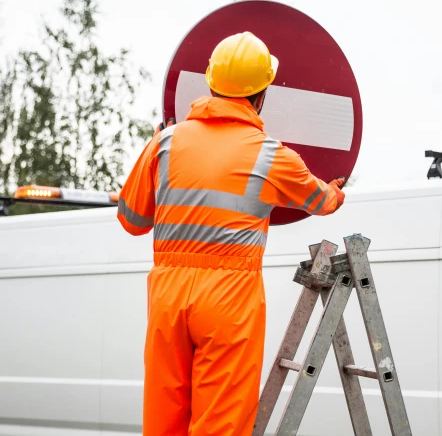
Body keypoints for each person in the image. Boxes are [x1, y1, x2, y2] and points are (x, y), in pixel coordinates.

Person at [117, 31, 346, 436]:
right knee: (220, 424)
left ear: (210, 83)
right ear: (262, 94)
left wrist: (155, 146)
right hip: (229, 298)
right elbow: (321, 202)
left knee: (164, 419)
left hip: (168, 295)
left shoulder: (165, 144)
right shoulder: (271, 154)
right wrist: (336, 190)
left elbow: (132, 221)